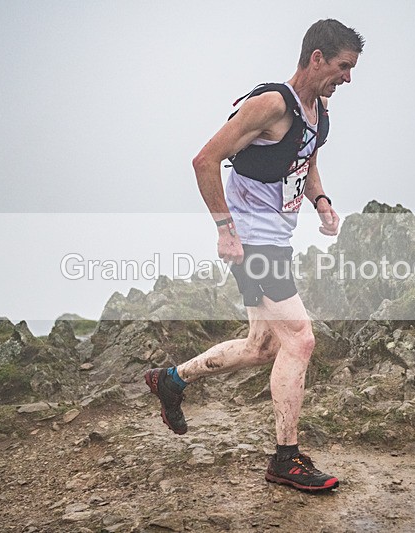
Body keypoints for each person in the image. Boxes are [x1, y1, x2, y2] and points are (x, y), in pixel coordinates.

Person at [145, 19, 363, 492]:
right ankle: (286, 459)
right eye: (344, 66)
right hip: (252, 243)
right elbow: (204, 160)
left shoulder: (318, 109)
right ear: (317, 58)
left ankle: (172, 380)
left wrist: (321, 201)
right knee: (300, 340)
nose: (348, 78)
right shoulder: (271, 104)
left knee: (262, 346)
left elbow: (306, 159)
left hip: (276, 241)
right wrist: (225, 230)